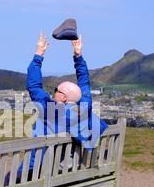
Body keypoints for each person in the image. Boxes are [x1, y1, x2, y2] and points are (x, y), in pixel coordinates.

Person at [21, 33, 108, 176]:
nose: (54, 93)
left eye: (56, 90)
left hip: (45, 173)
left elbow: (34, 87)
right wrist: (78, 56)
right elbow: (85, 84)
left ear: (64, 97)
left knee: (10, 178)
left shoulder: (51, 112)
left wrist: (38, 55)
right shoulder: (85, 108)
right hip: (70, 170)